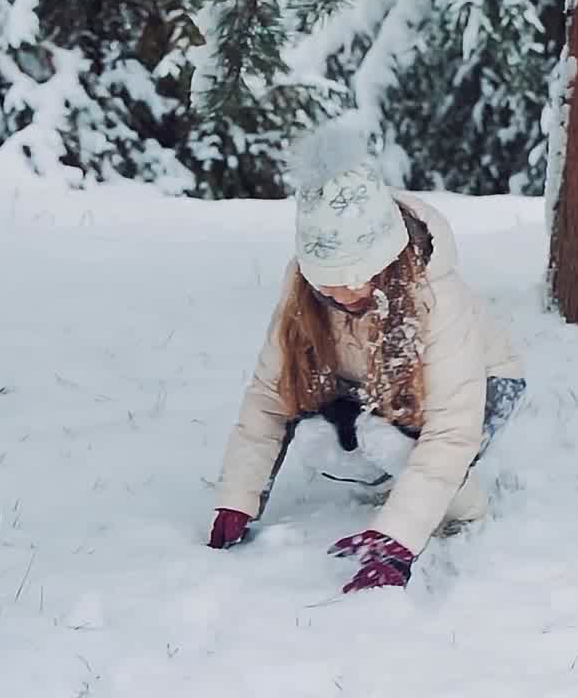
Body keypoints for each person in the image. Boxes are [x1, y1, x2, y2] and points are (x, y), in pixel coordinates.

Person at [207, 123, 524, 594]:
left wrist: (397, 539)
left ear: (389, 258)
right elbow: (268, 400)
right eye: (329, 282)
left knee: (391, 443)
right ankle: (397, 477)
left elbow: (451, 431)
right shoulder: (303, 296)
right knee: (322, 439)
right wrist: (238, 498)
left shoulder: (436, 297)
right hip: (373, 382)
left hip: (481, 382)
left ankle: (462, 503)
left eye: (361, 276)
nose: (347, 292)